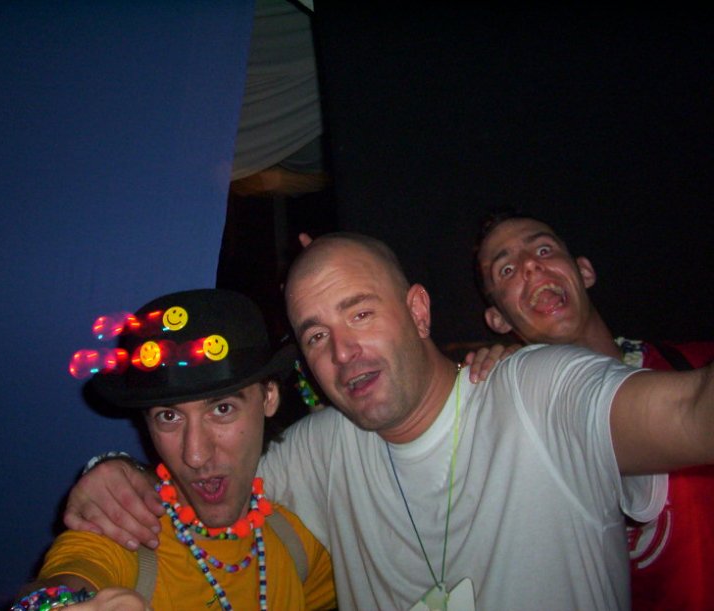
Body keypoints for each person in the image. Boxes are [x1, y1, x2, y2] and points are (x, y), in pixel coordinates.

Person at [65, 232, 714, 610]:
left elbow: (691, 411)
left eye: (360, 313)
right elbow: (208, 473)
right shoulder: (322, 450)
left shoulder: (538, 390)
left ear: (419, 311)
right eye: (317, 335)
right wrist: (112, 471)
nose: (344, 352)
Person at [7, 289, 335, 611]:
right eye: (169, 416)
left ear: (268, 398)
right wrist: (57, 604)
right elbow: (73, 572)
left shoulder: (298, 542)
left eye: (222, 409)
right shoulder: (124, 529)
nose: (195, 455)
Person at [472, 210, 714, 611]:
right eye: (507, 269)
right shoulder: (520, 438)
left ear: (583, 271)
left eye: (543, 250)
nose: (531, 265)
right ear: (498, 319)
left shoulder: (694, 365)